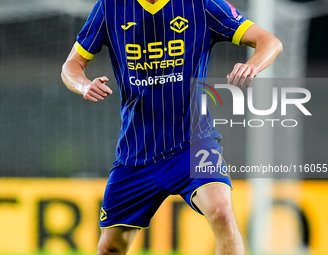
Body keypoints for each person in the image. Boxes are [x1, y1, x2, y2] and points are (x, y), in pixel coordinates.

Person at [61, 0, 282, 254]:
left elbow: (270, 42)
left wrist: (252, 65)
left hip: (192, 143)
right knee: (111, 247)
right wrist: (84, 85)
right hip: (137, 154)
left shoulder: (201, 4)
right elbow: (71, 65)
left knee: (221, 211)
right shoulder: (110, 7)